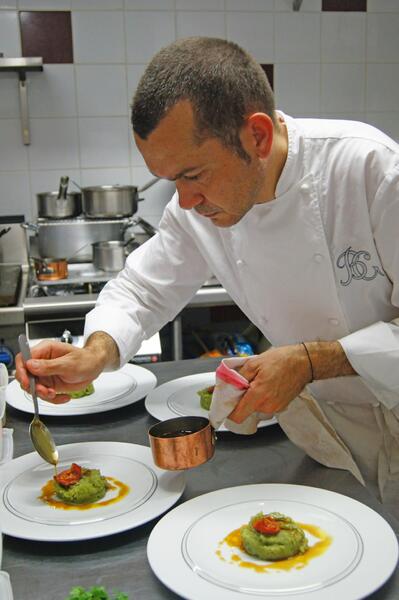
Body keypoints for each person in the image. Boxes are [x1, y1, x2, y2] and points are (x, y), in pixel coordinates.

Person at [16, 37, 399, 516]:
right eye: (172, 179)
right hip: (328, 437)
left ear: (257, 136)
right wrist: (94, 354)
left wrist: (309, 361)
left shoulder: (371, 170)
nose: (186, 200)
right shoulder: (195, 208)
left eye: (194, 174)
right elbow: (143, 288)